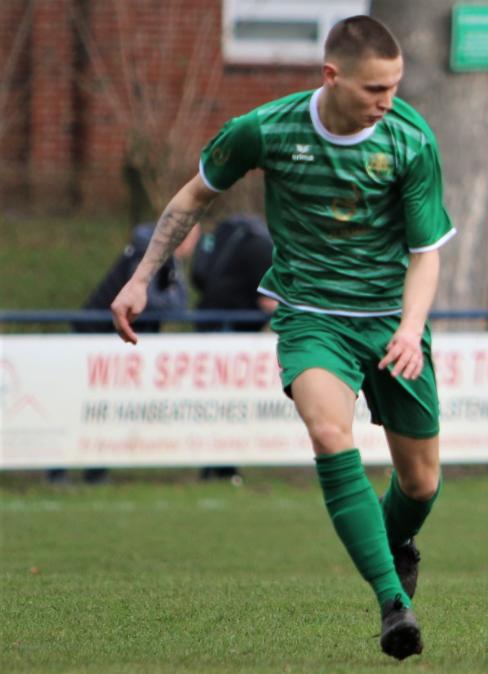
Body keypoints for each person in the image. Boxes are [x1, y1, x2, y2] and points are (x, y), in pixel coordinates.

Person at [109, 16, 453, 661]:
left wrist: (411, 328)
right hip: (311, 316)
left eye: (395, 86)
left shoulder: (411, 139)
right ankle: (392, 604)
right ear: (332, 76)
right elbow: (193, 198)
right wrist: (140, 278)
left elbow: (426, 252)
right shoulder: (267, 129)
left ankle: (394, 545)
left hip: (390, 319)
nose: (388, 100)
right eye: (375, 88)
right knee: (329, 432)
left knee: (420, 484)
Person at [50, 222, 198, 485]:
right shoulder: (147, 254)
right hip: (92, 337)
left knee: (105, 409)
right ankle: (58, 470)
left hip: (113, 342)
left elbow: (179, 305)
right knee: (77, 406)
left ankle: (94, 471)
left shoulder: (167, 260)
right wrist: (170, 298)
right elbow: (150, 302)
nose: (192, 244)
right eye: (191, 236)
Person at [190, 213, 278, 483]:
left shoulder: (247, 240)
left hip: (210, 323)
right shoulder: (264, 250)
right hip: (229, 331)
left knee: (219, 400)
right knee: (227, 402)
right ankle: (223, 467)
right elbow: (269, 303)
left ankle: (214, 466)